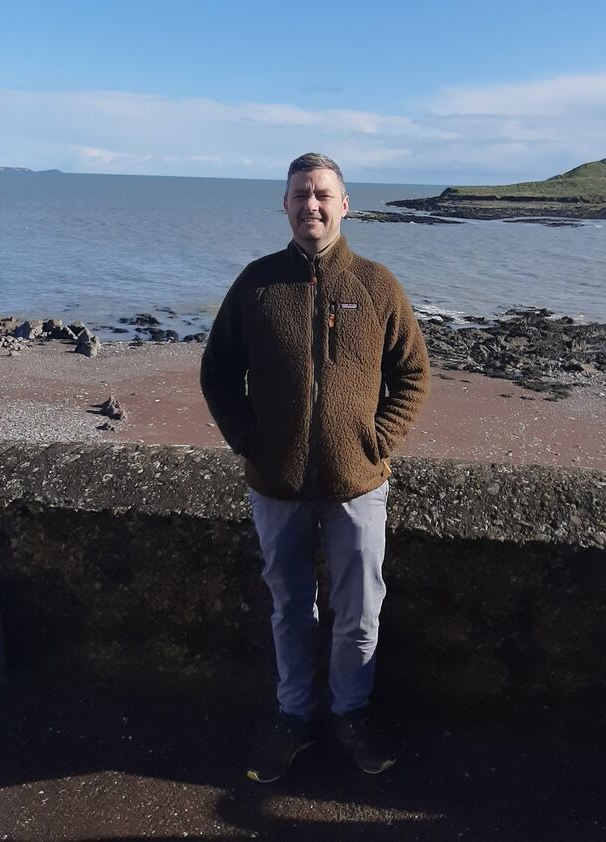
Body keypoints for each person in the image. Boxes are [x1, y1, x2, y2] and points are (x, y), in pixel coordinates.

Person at [200, 152, 430, 782]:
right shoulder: (256, 284)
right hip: (275, 485)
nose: (312, 205)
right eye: (300, 194)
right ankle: (294, 718)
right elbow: (217, 372)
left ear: (344, 203)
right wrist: (247, 437)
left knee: (360, 612)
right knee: (289, 609)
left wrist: (380, 441)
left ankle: (352, 715)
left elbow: (413, 372)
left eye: (323, 194)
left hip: (359, 484)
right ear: (285, 205)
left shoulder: (376, 286)